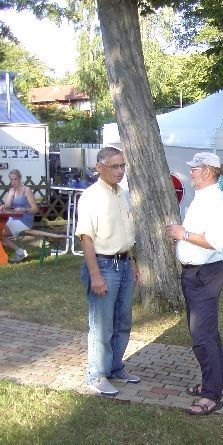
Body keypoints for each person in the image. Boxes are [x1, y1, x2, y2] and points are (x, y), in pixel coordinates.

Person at [165, 152, 223, 416]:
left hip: (204, 274)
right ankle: (217, 383)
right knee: (208, 333)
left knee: (202, 336)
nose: (190, 172)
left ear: (206, 171)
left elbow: (213, 240)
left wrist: (182, 234)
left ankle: (211, 395)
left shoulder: (213, 200)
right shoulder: (204, 197)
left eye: (194, 168)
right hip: (198, 274)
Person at [75, 147, 141, 396]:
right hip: (103, 265)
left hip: (123, 265)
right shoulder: (91, 196)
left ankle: (115, 367)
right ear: (99, 167)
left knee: (122, 321)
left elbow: (126, 235)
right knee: (102, 325)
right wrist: (95, 275)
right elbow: (86, 238)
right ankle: (96, 375)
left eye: (123, 166)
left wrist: (132, 262)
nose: (120, 171)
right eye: (115, 166)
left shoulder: (122, 194)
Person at [0, 169, 39, 263]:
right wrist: (3, 206)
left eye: (15, 179)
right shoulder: (11, 190)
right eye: (11, 180)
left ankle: (19, 251)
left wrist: (24, 209)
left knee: (1, 233)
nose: (13, 182)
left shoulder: (27, 190)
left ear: (20, 178)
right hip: (12, 219)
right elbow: (7, 206)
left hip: (24, 221)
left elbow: (35, 209)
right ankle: (18, 251)